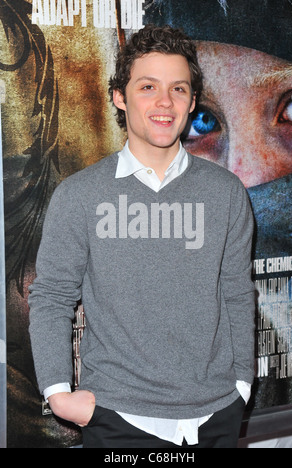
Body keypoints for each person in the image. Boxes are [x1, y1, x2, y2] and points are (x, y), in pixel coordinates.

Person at [28, 24, 255, 449]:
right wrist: (59, 396)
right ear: (120, 96)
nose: (164, 103)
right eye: (148, 86)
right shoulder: (79, 196)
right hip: (119, 418)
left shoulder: (226, 193)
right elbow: (53, 296)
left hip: (216, 415)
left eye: (179, 89)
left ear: (191, 102)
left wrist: (242, 384)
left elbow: (237, 292)